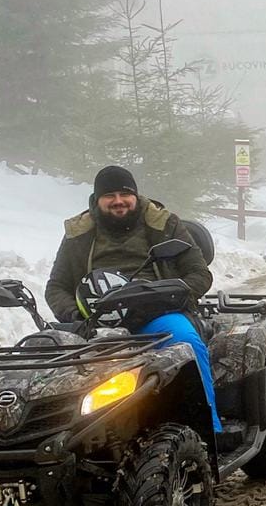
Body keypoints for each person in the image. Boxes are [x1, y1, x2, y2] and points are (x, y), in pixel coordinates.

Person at [45, 165, 221, 432]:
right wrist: (75, 314)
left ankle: (209, 428)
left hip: (158, 315)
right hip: (96, 323)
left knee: (187, 343)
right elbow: (56, 287)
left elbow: (199, 274)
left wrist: (167, 296)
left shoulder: (164, 224)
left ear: (135, 196)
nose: (118, 201)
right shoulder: (78, 234)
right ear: (97, 199)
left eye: (124, 194)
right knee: (46, 359)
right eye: (109, 195)